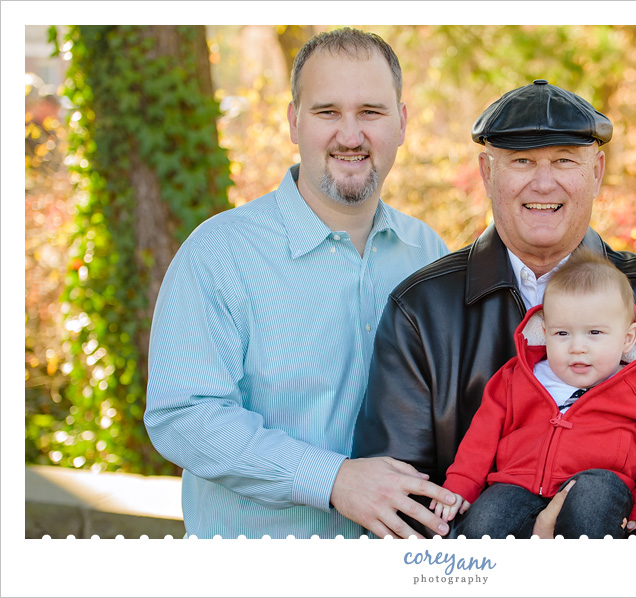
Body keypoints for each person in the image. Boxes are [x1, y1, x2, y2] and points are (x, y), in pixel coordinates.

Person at [353, 79, 636, 539]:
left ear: (597, 172)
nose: (543, 183)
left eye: (564, 161)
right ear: (487, 173)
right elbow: (398, 485)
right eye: (521, 162)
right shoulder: (421, 309)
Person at [144, 28, 454, 539]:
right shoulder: (220, 253)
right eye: (327, 112)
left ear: (401, 123)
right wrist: (332, 480)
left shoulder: (428, 253)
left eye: (371, 113)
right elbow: (184, 416)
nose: (350, 135)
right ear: (293, 121)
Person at [430, 248, 636, 538]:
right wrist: (462, 483)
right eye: (562, 334)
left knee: (593, 499)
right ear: (545, 331)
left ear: (627, 339)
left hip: (598, 485)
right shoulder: (520, 377)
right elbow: (482, 435)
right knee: (484, 520)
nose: (577, 347)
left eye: (595, 333)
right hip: (518, 483)